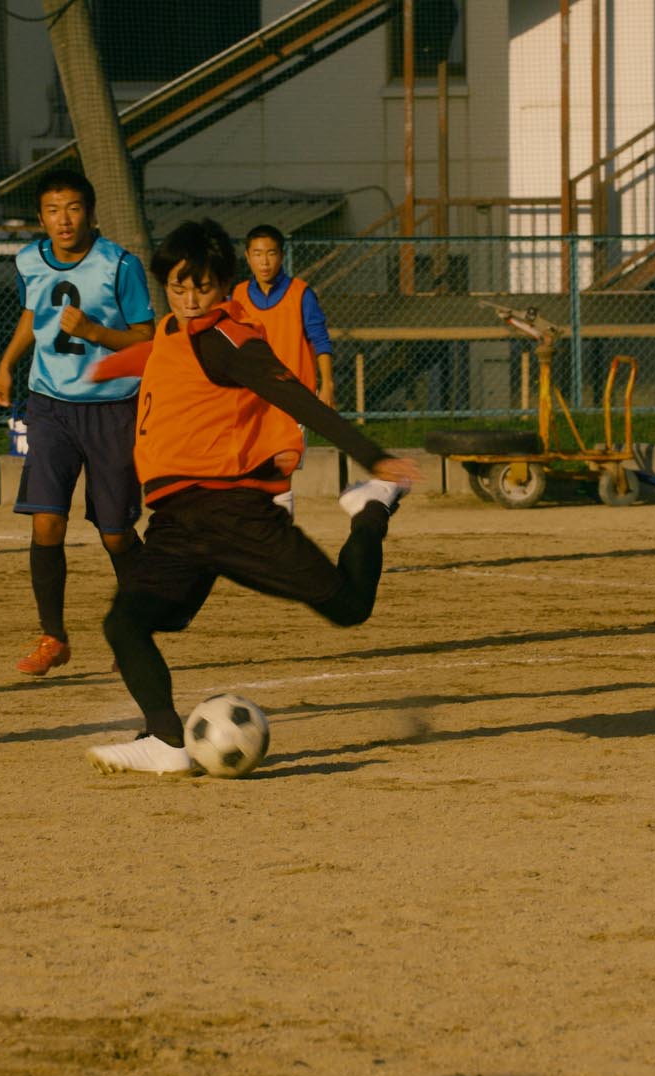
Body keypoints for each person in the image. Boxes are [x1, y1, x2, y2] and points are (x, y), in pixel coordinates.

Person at [82, 219, 422, 776]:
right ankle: (168, 742)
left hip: (231, 513)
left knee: (350, 608)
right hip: (176, 521)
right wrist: (107, 365)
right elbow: (154, 356)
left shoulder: (229, 341)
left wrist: (371, 454)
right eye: (179, 286)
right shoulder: (171, 331)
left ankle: (372, 506)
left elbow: (294, 394)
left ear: (224, 288)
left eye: (204, 288)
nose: (191, 300)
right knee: (125, 622)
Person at [0, 169, 156, 676]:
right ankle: (53, 636)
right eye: (54, 210)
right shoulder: (27, 261)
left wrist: (96, 332)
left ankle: (138, 627)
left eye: (74, 208)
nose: (64, 219)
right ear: (41, 218)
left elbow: (147, 339)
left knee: (116, 534)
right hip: (49, 405)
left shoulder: (119, 265)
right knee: (46, 521)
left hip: (112, 407)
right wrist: (7, 363)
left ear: (91, 212)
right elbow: (31, 315)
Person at [234, 224, 337, 516]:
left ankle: (281, 537)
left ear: (281, 256)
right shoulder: (238, 296)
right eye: (257, 254)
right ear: (247, 257)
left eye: (270, 253)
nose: (264, 261)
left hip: (294, 396)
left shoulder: (301, 294)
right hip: (252, 397)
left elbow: (320, 339)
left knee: (283, 470)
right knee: (250, 468)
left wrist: (326, 385)